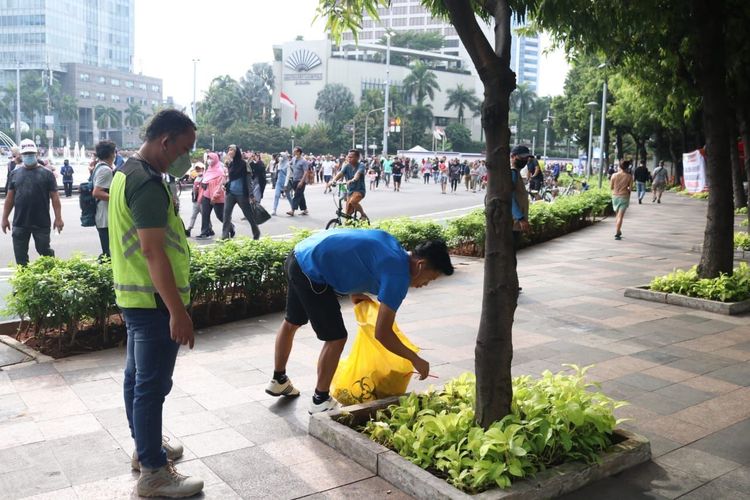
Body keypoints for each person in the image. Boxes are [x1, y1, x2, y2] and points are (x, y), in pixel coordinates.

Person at [107, 109, 203, 497]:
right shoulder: (146, 183)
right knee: (151, 385)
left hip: (136, 297)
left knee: (137, 380)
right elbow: (152, 252)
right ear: (165, 141)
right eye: (185, 148)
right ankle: (153, 471)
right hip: (154, 302)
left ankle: (146, 449)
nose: (187, 157)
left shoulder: (126, 171)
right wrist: (177, 312)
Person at [266, 229, 454, 413]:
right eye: (431, 278)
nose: (426, 284)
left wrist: (355, 292)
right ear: (420, 265)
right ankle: (320, 399)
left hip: (299, 254)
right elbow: (382, 333)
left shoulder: (394, 247)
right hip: (312, 271)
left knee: (292, 322)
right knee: (336, 337)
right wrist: (415, 359)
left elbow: (356, 256)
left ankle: (278, 380)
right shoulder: (398, 275)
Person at [2, 139, 63, 266]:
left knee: (44, 251)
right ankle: (25, 282)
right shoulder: (14, 174)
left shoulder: (47, 174)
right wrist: (4, 218)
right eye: (26, 154)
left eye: (31, 153)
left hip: (41, 222)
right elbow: (9, 198)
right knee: (20, 256)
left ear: (36, 154)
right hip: (20, 222)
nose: (29, 156)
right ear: (21, 155)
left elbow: (55, 198)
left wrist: (58, 218)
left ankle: (52, 277)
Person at [223, 147, 260, 240]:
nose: (229, 152)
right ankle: (224, 236)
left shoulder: (244, 164)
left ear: (237, 152)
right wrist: (227, 185)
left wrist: (251, 195)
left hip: (241, 194)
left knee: (248, 214)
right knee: (226, 214)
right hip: (230, 193)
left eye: (232, 150)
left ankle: (256, 232)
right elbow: (231, 179)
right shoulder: (231, 164)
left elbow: (248, 180)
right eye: (229, 150)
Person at [197, 153, 229, 239]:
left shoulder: (220, 171)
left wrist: (214, 197)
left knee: (220, 215)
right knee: (205, 214)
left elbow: (220, 186)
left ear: (215, 159)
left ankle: (230, 227)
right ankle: (204, 232)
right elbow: (205, 180)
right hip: (206, 195)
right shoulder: (208, 169)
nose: (209, 160)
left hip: (216, 197)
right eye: (208, 158)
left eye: (210, 158)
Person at [329, 149, 368, 221]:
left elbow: (358, 174)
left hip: (359, 191)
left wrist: (353, 180)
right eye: (348, 157)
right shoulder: (347, 166)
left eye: (351, 157)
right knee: (347, 216)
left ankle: (363, 214)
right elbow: (340, 174)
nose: (349, 159)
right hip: (350, 192)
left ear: (357, 158)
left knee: (353, 201)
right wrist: (333, 180)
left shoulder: (361, 165)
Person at [92, 141, 116, 259]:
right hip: (105, 217)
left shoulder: (99, 166)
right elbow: (97, 192)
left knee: (108, 250)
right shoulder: (105, 170)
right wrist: (117, 199)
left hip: (102, 215)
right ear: (112, 154)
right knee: (108, 252)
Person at [610, 160, 633, 240]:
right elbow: (630, 189)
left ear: (619, 166)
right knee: (620, 216)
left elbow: (611, 187)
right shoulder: (629, 176)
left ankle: (618, 230)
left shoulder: (613, 175)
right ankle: (617, 232)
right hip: (624, 196)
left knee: (617, 215)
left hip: (615, 197)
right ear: (627, 167)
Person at [287, 146, 310, 216]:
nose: (293, 152)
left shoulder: (304, 161)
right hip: (294, 180)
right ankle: (305, 209)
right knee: (300, 195)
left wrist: (301, 182)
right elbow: (289, 164)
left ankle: (292, 210)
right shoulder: (293, 159)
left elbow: (306, 172)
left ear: (299, 152)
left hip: (301, 181)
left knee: (296, 195)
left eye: (295, 151)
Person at [184, 163, 205, 236]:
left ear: (203, 168)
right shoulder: (196, 177)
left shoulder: (205, 177)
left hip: (202, 200)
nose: (198, 170)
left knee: (205, 216)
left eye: (199, 168)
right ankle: (189, 229)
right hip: (196, 200)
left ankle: (209, 229)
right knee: (193, 215)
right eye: (197, 169)